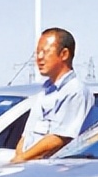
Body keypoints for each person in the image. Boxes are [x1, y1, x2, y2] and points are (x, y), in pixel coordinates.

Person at [12, 27, 92, 163]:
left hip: (53, 169)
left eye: (45, 51)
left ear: (64, 54)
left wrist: (21, 159)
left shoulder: (75, 91)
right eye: (38, 52)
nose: (39, 57)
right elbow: (27, 134)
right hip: (31, 166)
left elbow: (59, 139)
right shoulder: (45, 91)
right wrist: (19, 156)